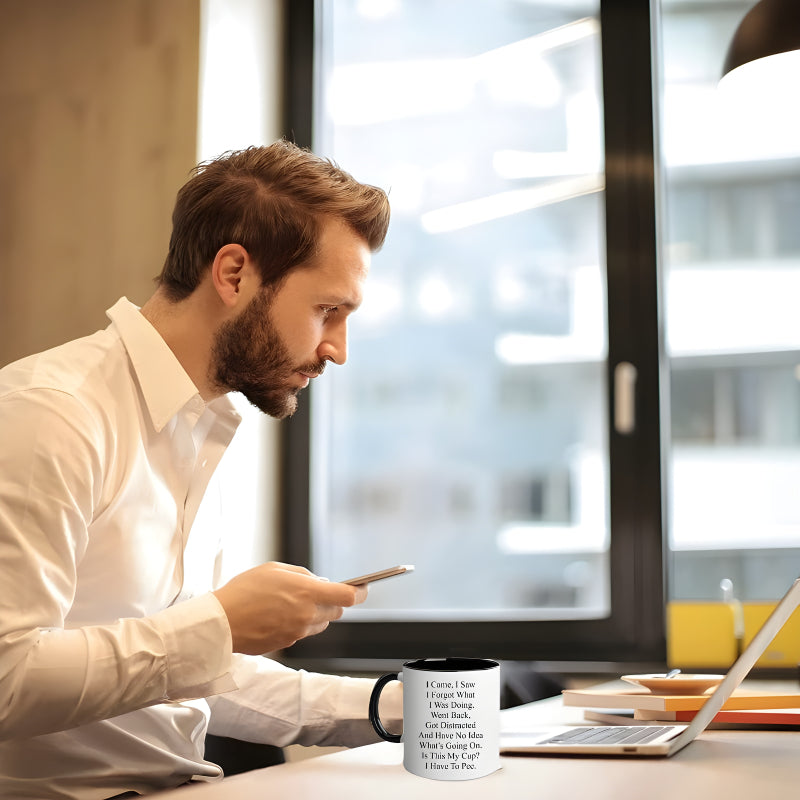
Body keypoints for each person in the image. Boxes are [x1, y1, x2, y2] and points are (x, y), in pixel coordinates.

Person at [0, 140, 401, 799]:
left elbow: (183, 670)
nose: (338, 349)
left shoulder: (198, 426)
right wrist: (218, 624)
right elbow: (8, 679)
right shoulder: (54, 416)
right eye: (327, 311)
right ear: (235, 274)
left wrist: (404, 708)